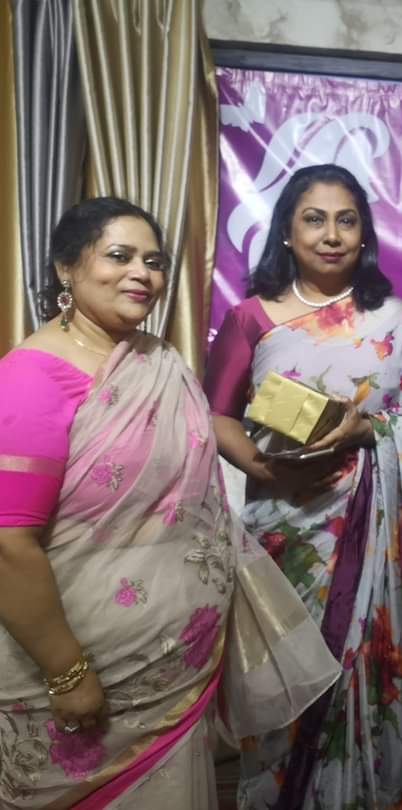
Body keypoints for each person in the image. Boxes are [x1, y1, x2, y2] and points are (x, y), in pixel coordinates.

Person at [0, 197, 336, 809]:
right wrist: (68, 672)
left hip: (174, 673)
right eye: (119, 256)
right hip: (82, 676)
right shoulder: (32, 378)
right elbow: (8, 544)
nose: (142, 274)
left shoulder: (159, 362)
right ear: (67, 268)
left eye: (153, 262)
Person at [204, 164, 402, 809]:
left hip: (379, 539)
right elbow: (217, 416)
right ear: (287, 231)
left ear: (364, 234)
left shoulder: (400, 322)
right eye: (314, 219)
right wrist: (263, 468)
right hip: (285, 529)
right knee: (286, 689)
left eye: (347, 220)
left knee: (366, 679)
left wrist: (368, 429)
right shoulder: (251, 318)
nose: (332, 234)